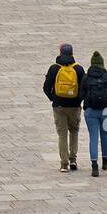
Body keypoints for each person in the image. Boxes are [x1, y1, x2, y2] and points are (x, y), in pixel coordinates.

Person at [43, 42, 86, 172]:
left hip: (59, 106)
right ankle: (73, 159)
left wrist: (53, 98)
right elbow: (84, 88)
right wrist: (78, 100)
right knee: (74, 132)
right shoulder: (78, 69)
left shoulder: (54, 68)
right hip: (74, 106)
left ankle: (64, 163)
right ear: (72, 53)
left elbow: (45, 88)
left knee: (62, 134)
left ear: (60, 53)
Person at [81, 51, 107, 177]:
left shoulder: (86, 77)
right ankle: (105, 160)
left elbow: (81, 95)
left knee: (93, 138)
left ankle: (94, 166)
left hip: (91, 111)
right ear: (102, 63)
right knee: (105, 136)